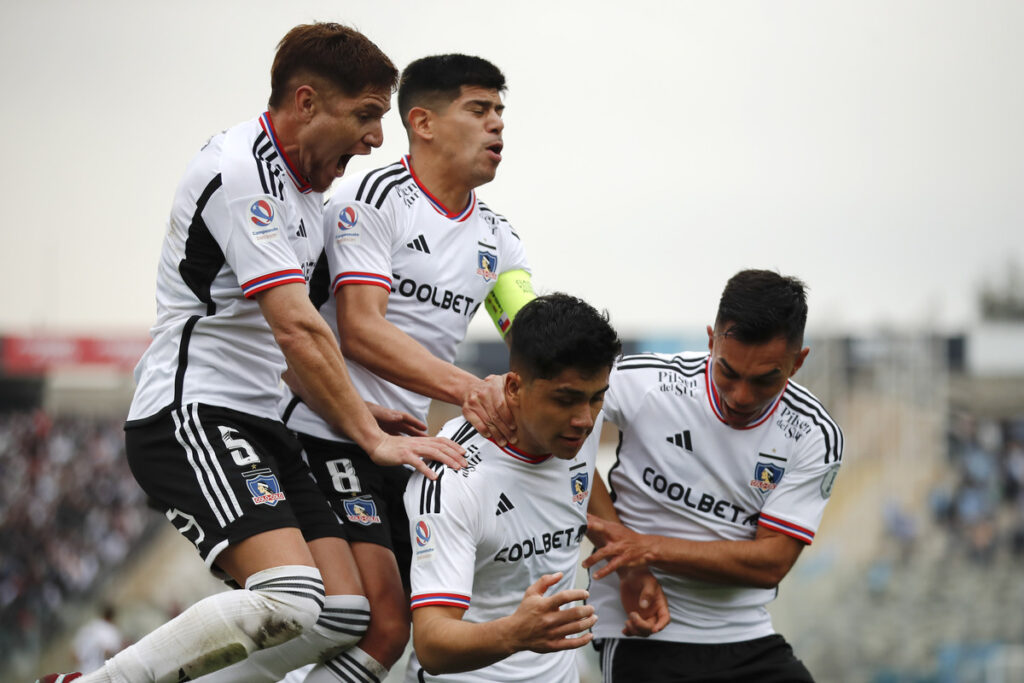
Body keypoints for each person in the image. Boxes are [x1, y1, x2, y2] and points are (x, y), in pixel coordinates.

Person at [37, 23, 466, 683]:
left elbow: (293, 350)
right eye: (366, 114)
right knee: (291, 595)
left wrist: (357, 410)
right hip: (194, 413)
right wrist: (369, 435)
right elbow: (297, 329)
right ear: (305, 103)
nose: (377, 138)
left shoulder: (308, 193)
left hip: (263, 422)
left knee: (342, 614)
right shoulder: (242, 172)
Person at [276, 53, 535, 682]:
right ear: (423, 122)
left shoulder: (499, 239)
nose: (498, 124)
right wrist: (473, 389)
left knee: (399, 633)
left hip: (406, 450)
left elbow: (537, 344)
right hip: (323, 430)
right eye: (479, 109)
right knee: (380, 623)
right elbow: (362, 330)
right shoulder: (373, 199)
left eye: (501, 111)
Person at [583, 269, 844, 682]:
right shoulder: (644, 384)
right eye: (729, 372)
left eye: (765, 379)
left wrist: (646, 549)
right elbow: (554, 439)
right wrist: (630, 566)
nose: (742, 396)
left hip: (746, 633)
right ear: (711, 341)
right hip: (642, 633)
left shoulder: (813, 433)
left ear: (797, 362)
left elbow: (770, 563)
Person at [403, 293, 643, 682]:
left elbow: (578, 484)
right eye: (566, 399)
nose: (585, 420)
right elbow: (432, 644)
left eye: (597, 398)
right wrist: (514, 634)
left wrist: (633, 568)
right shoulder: (452, 479)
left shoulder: (572, 431)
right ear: (513, 387)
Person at [72, 605, 123, 673]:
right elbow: (110, 654)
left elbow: (74, 653)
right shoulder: (112, 633)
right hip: (98, 671)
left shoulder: (89, 627)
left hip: (82, 671)